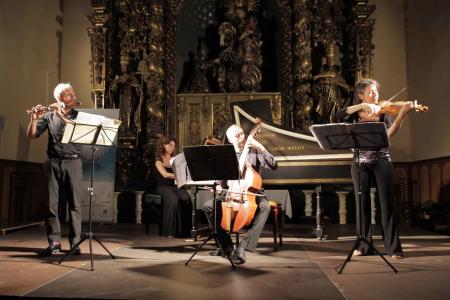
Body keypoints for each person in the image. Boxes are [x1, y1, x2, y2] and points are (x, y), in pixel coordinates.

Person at [336, 78, 415, 259]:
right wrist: (360, 107)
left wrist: (401, 115)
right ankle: (363, 246)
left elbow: (388, 135)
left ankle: (394, 248)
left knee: (386, 204)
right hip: (359, 162)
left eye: (376, 92)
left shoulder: (384, 112)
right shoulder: (354, 115)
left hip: (382, 160)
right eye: (370, 92)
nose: (374, 95)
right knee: (361, 205)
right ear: (361, 95)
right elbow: (339, 116)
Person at [202, 124, 278, 264]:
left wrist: (259, 146)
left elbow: (273, 164)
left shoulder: (254, 152)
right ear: (230, 140)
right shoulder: (226, 154)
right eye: (237, 135)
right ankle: (226, 245)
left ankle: (244, 246)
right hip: (230, 192)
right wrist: (219, 186)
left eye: (242, 133)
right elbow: (221, 179)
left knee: (265, 208)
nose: (241, 137)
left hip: (252, 192)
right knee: (208, 207)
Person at [26, 83, 82, 256]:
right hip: (53, 162)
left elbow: (76, 130)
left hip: (73, 162)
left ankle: (75, 243)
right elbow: (31, 135)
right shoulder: (49, 116)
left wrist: (60, 113)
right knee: (51, 204)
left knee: (74, 205)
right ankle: (54, 242)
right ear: (59, 98)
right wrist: (34, 118)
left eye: (73, 93)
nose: (73, 96)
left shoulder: (79, 115)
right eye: (68, 94)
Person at [154, 136, 192, 238]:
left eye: (174, 146)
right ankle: (170, 231)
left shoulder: (174, 159)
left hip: (175, 186)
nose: (172, 148)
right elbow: (165, 174)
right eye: (170, 145)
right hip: (162, 186)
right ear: (164, 145)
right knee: (174, 200)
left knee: (187, 199)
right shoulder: (158, 158)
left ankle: (184, 231)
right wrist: (177, 175)